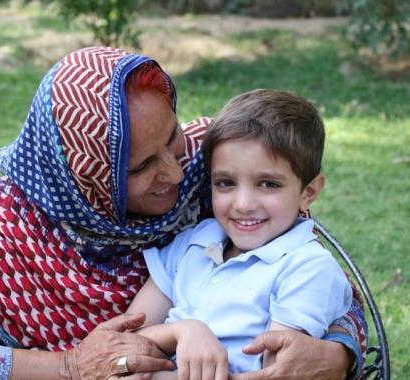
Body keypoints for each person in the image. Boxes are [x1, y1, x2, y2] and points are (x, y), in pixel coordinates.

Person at [0, 47, 366, 380]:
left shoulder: (216, 164)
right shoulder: (3, 231)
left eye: (172, 137)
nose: (175, 172)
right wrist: (67, 367)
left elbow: (318, 272)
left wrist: (337, 353)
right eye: (142, 165)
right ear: (84, 178)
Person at [126, 89, 353, 379]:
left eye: (268, 184)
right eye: (226, 183)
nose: (243, 204)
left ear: (308, 192)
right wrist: (184, 331)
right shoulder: (193, 243)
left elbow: (276, 373)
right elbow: (127, 338)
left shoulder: (307, 268)